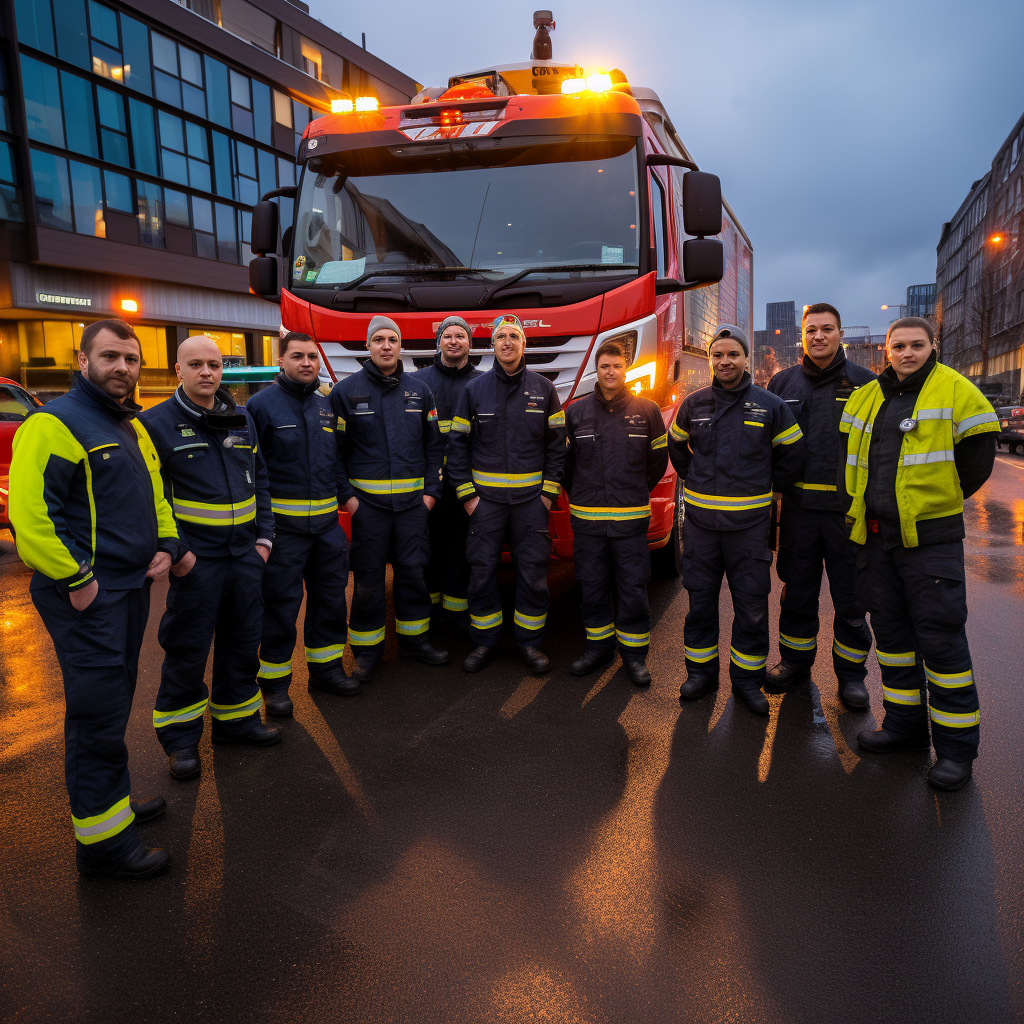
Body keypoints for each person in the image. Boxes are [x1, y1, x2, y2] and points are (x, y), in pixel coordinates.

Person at [9, 319, 179, 878]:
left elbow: (154, 490)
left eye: (131, 359)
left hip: (126, 589)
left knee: (115, 701)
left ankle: (111, 810)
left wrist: (167, 542)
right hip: (86, 595)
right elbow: (31, 517)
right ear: (81, 361)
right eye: (110, 357)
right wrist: (77, 579)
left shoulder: (128, 424)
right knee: (97, 715)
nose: (124, 368)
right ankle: (104, 847)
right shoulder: (53, 423)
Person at [842, 317, 998, 790]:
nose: (906, 353)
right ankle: (904, 728)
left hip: (930, 542)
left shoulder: (956, 390)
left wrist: (933, 506)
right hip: (876, 538)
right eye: (898, 346)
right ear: (885, 351)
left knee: (941, 640)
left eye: (916, 344)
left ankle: (955, 751)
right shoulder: (866, 396)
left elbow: (976, 460)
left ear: (933, 346)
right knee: (891, 639)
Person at [141, 335, 280, 781]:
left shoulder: (241, 418)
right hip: (197, 561)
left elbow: (260, 478)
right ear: (177, 370)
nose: (207, 373)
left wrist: (265, 540)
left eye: (215, 365)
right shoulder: (154, 424)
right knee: (187, 648)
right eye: (196, 365)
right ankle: (181, 741)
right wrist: (178, 553)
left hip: (244, 555)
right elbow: (151, 497)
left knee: (243, 641)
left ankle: (236, 721)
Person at [668, 324, 806, 714]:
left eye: (733, 354)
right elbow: (677, 448)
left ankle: (747, 682)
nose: (724, 361)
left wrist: (769, 485)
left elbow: (793, 456)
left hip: (748, 531)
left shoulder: (770, 405)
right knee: (700, 606)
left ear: (746, 359)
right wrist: (695, 478)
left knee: (750, 608)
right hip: (701, 529)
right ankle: (700, 675)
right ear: (711, 359)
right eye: (718, 355)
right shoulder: (693, 404)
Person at [765, 303, 876, 708]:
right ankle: (795, 663)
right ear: (803, 335)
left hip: (848, 514)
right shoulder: (782, 385)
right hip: (799, 513)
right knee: (797, 594)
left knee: (851, 599)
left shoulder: (867, 386)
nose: (818, 336)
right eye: (811, 330)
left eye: (827, 329)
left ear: (840, 334)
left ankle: (851, 677)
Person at [245, 332, 358, 716]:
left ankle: (325, 670)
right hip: (284, 533)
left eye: (312, 356)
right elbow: (252, 472)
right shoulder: (259, 407)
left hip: (327, 530)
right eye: (297, 356)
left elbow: (337, 461)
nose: (307, 362)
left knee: (329, 604)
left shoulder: (326, 407)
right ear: (281, 361)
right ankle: (275, 687)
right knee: (279, 609)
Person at [330, 315, 448, 681]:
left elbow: (435, 446)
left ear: (401, 346)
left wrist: (431, 494)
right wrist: (349, 500)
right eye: (378, 339)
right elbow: (334, 453)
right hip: (369, 510)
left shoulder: (420, 391)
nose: (385, 345)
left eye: (392, 339)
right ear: (368, 346)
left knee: (413, 575)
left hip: (413, 509)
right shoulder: (345, 393)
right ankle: (367, 652)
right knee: (367, 581)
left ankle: (415, 642)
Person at [447, 314, 566, 674]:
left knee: (532, 573)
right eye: (501, 336)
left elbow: (558, 447)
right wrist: (468, 497)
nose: (508, 342)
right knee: (482, 572)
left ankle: (530, 644)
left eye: (514, 336)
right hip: (486, 506)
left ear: (523, 344)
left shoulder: (544, 389)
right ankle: (485, 642)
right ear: (493, 345)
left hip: (531, 504)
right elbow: (457, 447)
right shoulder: (474, 390)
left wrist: (546, 495)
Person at [563, 339, 668, 685]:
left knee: (633, 588)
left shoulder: (648, 411)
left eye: (617, 365)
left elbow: (656, 463)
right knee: (592, 587)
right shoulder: (575, 413)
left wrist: (634, 493)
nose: (611, 372)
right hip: (588, 521)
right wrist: (582, 493)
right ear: (597, 369)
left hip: (629, 521)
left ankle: (635, 657)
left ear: (627, 369)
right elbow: (565, 466)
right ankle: (598, 649)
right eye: (605, 365)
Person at [411, 316, 483, 633]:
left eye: (461, 336)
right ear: (438, 342)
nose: (454, 341)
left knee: (461, 552)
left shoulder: (483, 383)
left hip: (465, 486)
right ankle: (427, 613)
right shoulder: (418, 383)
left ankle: (456, 617)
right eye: (448, 336)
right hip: (429, 486)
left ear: (470, 343)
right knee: (426, 550)